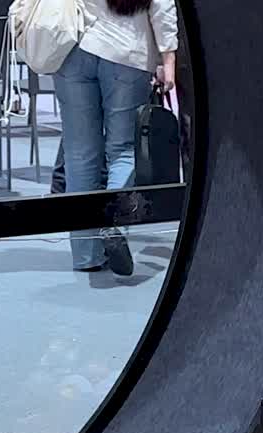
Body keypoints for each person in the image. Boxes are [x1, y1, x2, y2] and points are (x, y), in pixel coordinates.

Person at [52, 0, 177, 275]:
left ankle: (86, 254)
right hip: (126, 52)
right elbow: (163, 4)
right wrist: (168, 57)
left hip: (73, 47)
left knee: (79, 156)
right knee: (123, 150)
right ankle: (115, 223)